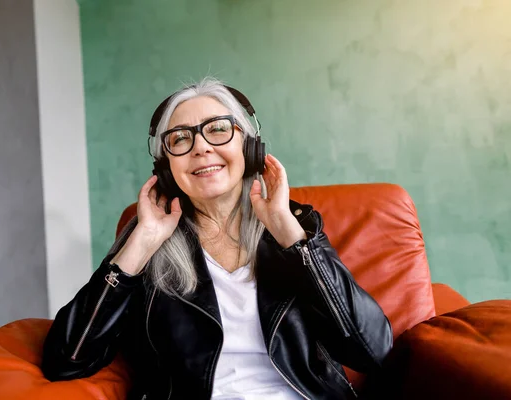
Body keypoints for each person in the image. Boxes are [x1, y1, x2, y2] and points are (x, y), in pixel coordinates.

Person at [41, 77, 393, 400]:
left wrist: (290, 235)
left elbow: (373, 352)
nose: (201, 147)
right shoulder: (148, 243)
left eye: (218, 130)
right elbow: (67, 359)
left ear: (250, 146)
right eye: (180, 138)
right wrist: (141, 243)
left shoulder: (293, 231)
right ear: (165, 167)